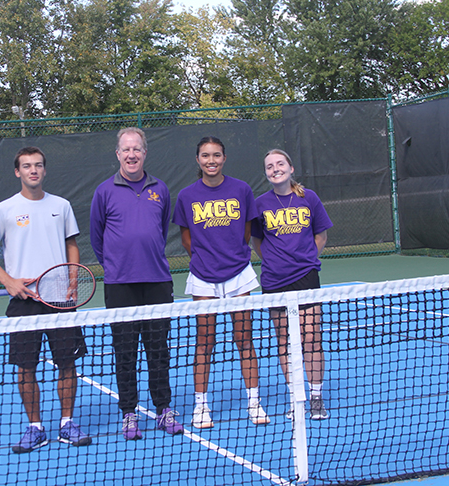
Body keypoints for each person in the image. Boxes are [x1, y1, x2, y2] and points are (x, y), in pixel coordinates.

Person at [0, 146, 92, 453]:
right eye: (27, 166)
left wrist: (71, 281)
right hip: (24, 301)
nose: (33, 170)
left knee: (67, 364)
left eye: (38, 165)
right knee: (25, 367)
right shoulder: (4, 209)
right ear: (18, 172)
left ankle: (67, 423)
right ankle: (35, 427)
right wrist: (8, 281)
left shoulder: (62, 206)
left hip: (59, 300)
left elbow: (72, 246)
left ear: (44, 170)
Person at [90, 127, 184, 441]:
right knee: (125, 352)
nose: (132, 155)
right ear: (118, 154)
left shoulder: (161, 189)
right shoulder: (104, 191)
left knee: (158, 350)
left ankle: (163, 409)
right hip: (120, 286)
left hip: (157, 282)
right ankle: (129, 413)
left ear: (145, 153)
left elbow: (159, 226)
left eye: (137, 149)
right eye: (126, 150)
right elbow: (97, 237)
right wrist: (117, 268)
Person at [172, 136, 270, 429]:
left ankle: (254, 403)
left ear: (224, 158)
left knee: (245, 340)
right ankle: (201, 406)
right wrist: (205, 258)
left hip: (239, 276)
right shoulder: (187, 196)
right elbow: (186, 236)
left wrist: (232, 256)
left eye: (216, 155)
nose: (211, 161)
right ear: (198, 160)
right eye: (205, 156)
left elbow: (247, 231)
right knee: (204, 342)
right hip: (203, 278)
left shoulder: (242, 189)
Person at [250, 149, 333, 420]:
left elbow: (320, 235)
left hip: (306, 277)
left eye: (280, 163)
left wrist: (307, 259)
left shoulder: (309, 198)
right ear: (266, 173)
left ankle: (316, 396)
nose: (276, 169)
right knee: (285, 341)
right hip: (275, 281)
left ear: (291, 167)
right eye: (270, 166)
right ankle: (295, 396)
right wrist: (275, 262)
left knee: (311, 337)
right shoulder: (260, 204)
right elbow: (257, 242)